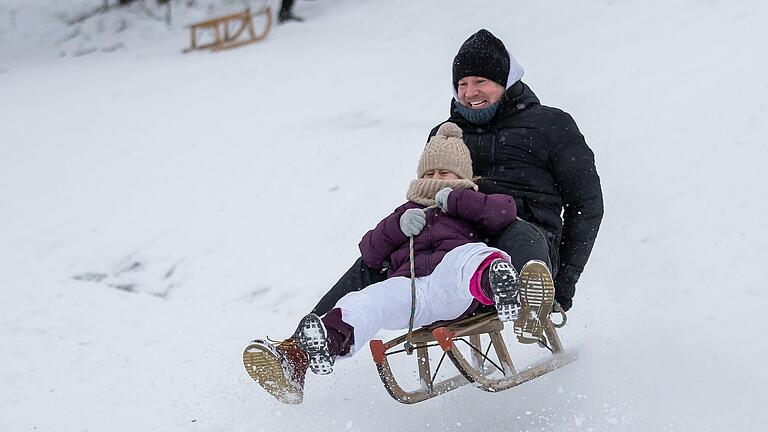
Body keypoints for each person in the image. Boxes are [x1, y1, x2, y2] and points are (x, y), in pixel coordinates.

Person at [243, 123, 554, 404]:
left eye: (444, 173)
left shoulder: (472, 202)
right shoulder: (406, 210)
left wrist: (458, 200)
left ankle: (501, 286)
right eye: (429, 174)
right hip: (410, 288)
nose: (435, 179)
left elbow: (504, 213)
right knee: (368, 300)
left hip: (454, 287)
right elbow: (370, 252)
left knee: (467, 258)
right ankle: (327, 342)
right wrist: (396, 226)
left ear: (463, 178)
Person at [312, 29, 603, 315]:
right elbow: (426, 190)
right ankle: (302, 344)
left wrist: (565, 281)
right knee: (376, 257)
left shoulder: (550, 125)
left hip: (526, 239)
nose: (470, 92)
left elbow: (585, 204)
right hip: (455, 240)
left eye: (481, 81)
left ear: (505, 81)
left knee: (517, 231)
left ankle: (531, 301)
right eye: (462, 83)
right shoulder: (445, 135)